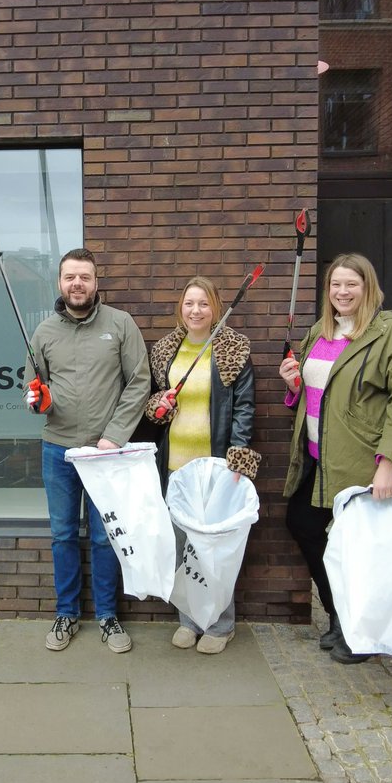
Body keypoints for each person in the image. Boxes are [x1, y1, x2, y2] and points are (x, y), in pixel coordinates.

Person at [278, 253, 392, 665]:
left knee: (359, 550)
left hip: (362, 463)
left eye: (351, 285)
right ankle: (341, 614)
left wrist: (388, 463)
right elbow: (312, 396)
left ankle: (360, 630)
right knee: (303, 524)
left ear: (368, 288)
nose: (342, 292)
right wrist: (293, 385)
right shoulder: (319, 332)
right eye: (335, 285)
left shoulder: (389, 335)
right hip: (317, 459)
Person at [26, 248, 151, 653]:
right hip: (57, 451)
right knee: (62, 535)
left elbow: (139, 382)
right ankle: (66, 613)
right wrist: (36, 400)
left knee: (104, 537)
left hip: (105, 454)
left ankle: (108, 616)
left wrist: (114, 434)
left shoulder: (120, 324)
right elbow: (33, 387)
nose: (76, 284)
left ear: (97, 282)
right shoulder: (43, 332)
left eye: (84, 277)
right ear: (60, 283)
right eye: (69, 277)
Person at [145, 277, 260, 654]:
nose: (196, 311)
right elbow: (153, 405)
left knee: (213, 550)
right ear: (181, 307)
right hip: (176, 467)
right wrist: (158, 407)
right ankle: (189, 620)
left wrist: (237, 455)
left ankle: (221, 624)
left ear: (215, 308)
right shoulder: (165, 351)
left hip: (214, 469)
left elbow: (244, 407)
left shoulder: (232, 350)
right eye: (189, 303)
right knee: (182, 547)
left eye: (204, 304)